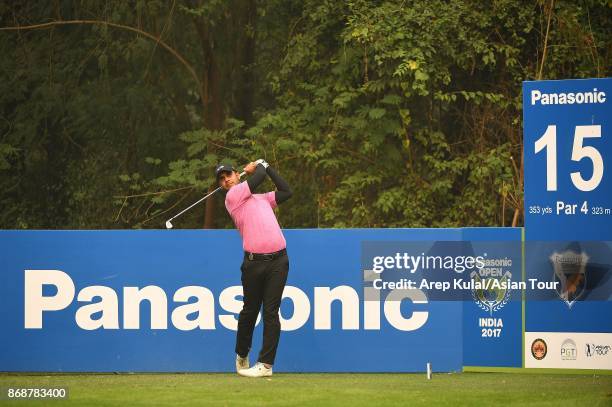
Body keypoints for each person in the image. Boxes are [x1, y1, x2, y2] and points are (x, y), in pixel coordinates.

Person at [215, 159, 292, 378]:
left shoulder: (262, 199)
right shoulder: (232, 198)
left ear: (236, 175)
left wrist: (267, 167)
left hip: (279, 261)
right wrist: (257, 168)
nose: (226, 179)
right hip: (253, 264)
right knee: (249, 312)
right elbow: (257, 179)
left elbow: (287, 191)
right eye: (222, 179)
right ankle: (242, 354)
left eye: (229, 174)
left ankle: (266, 365)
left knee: (270, 312)